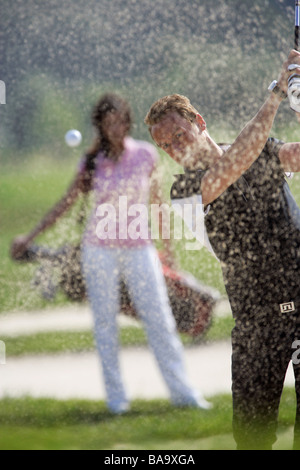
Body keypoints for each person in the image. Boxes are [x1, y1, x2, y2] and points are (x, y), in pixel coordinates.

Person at [11, 93, 212, 414]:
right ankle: (117, 401)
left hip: (140, 248)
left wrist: (169, 251)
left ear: (128, 122)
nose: (115, 128)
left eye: (120, 121)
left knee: (159, 319)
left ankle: (184, 394)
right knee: (105, 325)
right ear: (101, 127)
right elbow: (65, 204)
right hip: (99, 251)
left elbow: (158, 205)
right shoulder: (92, 163)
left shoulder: (146, 155)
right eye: (108, 123)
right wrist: (30, 236)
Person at [144, 50, 300, 449]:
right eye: (166, 145)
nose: (176, 147)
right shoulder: (184, 192)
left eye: (180, 134)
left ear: (200, 122)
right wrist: (276, 94)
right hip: (256, 323)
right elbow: (235, 163)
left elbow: (292, 156)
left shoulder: (256, 147)